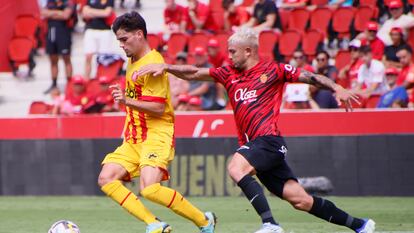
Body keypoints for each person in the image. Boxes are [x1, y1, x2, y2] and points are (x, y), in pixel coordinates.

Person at [137, 27, 375, 233]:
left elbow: (310, 77)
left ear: (248, 51)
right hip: (258, 147)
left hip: (268, 140)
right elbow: (193, 72)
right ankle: (360, 225)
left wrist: (337, 87)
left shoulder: (274, 71)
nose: (229, 56)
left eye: (233, 52)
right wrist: (166, 67)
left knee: (235, 166)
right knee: (301, 200)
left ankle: (270, 224)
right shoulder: (228, 74)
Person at [97, 12, 216, 233]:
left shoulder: (153, 63)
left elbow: (158, 107)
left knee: (150, 189)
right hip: (134, 136)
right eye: (119, 41)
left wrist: (126, 100)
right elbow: (140, 99)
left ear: (139, 34)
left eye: (124, 39)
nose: (121, 45)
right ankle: (155, 224)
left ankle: (203, 221)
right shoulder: (133, 60)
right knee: (106, 178)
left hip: (156, 133)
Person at [41, 0, 74, 94]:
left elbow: (66, 15)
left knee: (66, 58)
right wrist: (58, 13)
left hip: (63, 32)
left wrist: (51, 13)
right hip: (51, 32)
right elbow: (43, 13)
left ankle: (69, 84)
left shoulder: (67, 2)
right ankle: (54, 84)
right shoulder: (49, 2)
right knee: (52, 59)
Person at [82, 0, 116, 80]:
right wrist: (101, 13)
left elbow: (107, 13)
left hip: (104, 30)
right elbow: (85, 13)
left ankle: (103, 79)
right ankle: (86, 79)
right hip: (90, 29)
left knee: (104, 58)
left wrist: (91, 12)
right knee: (88, 56)